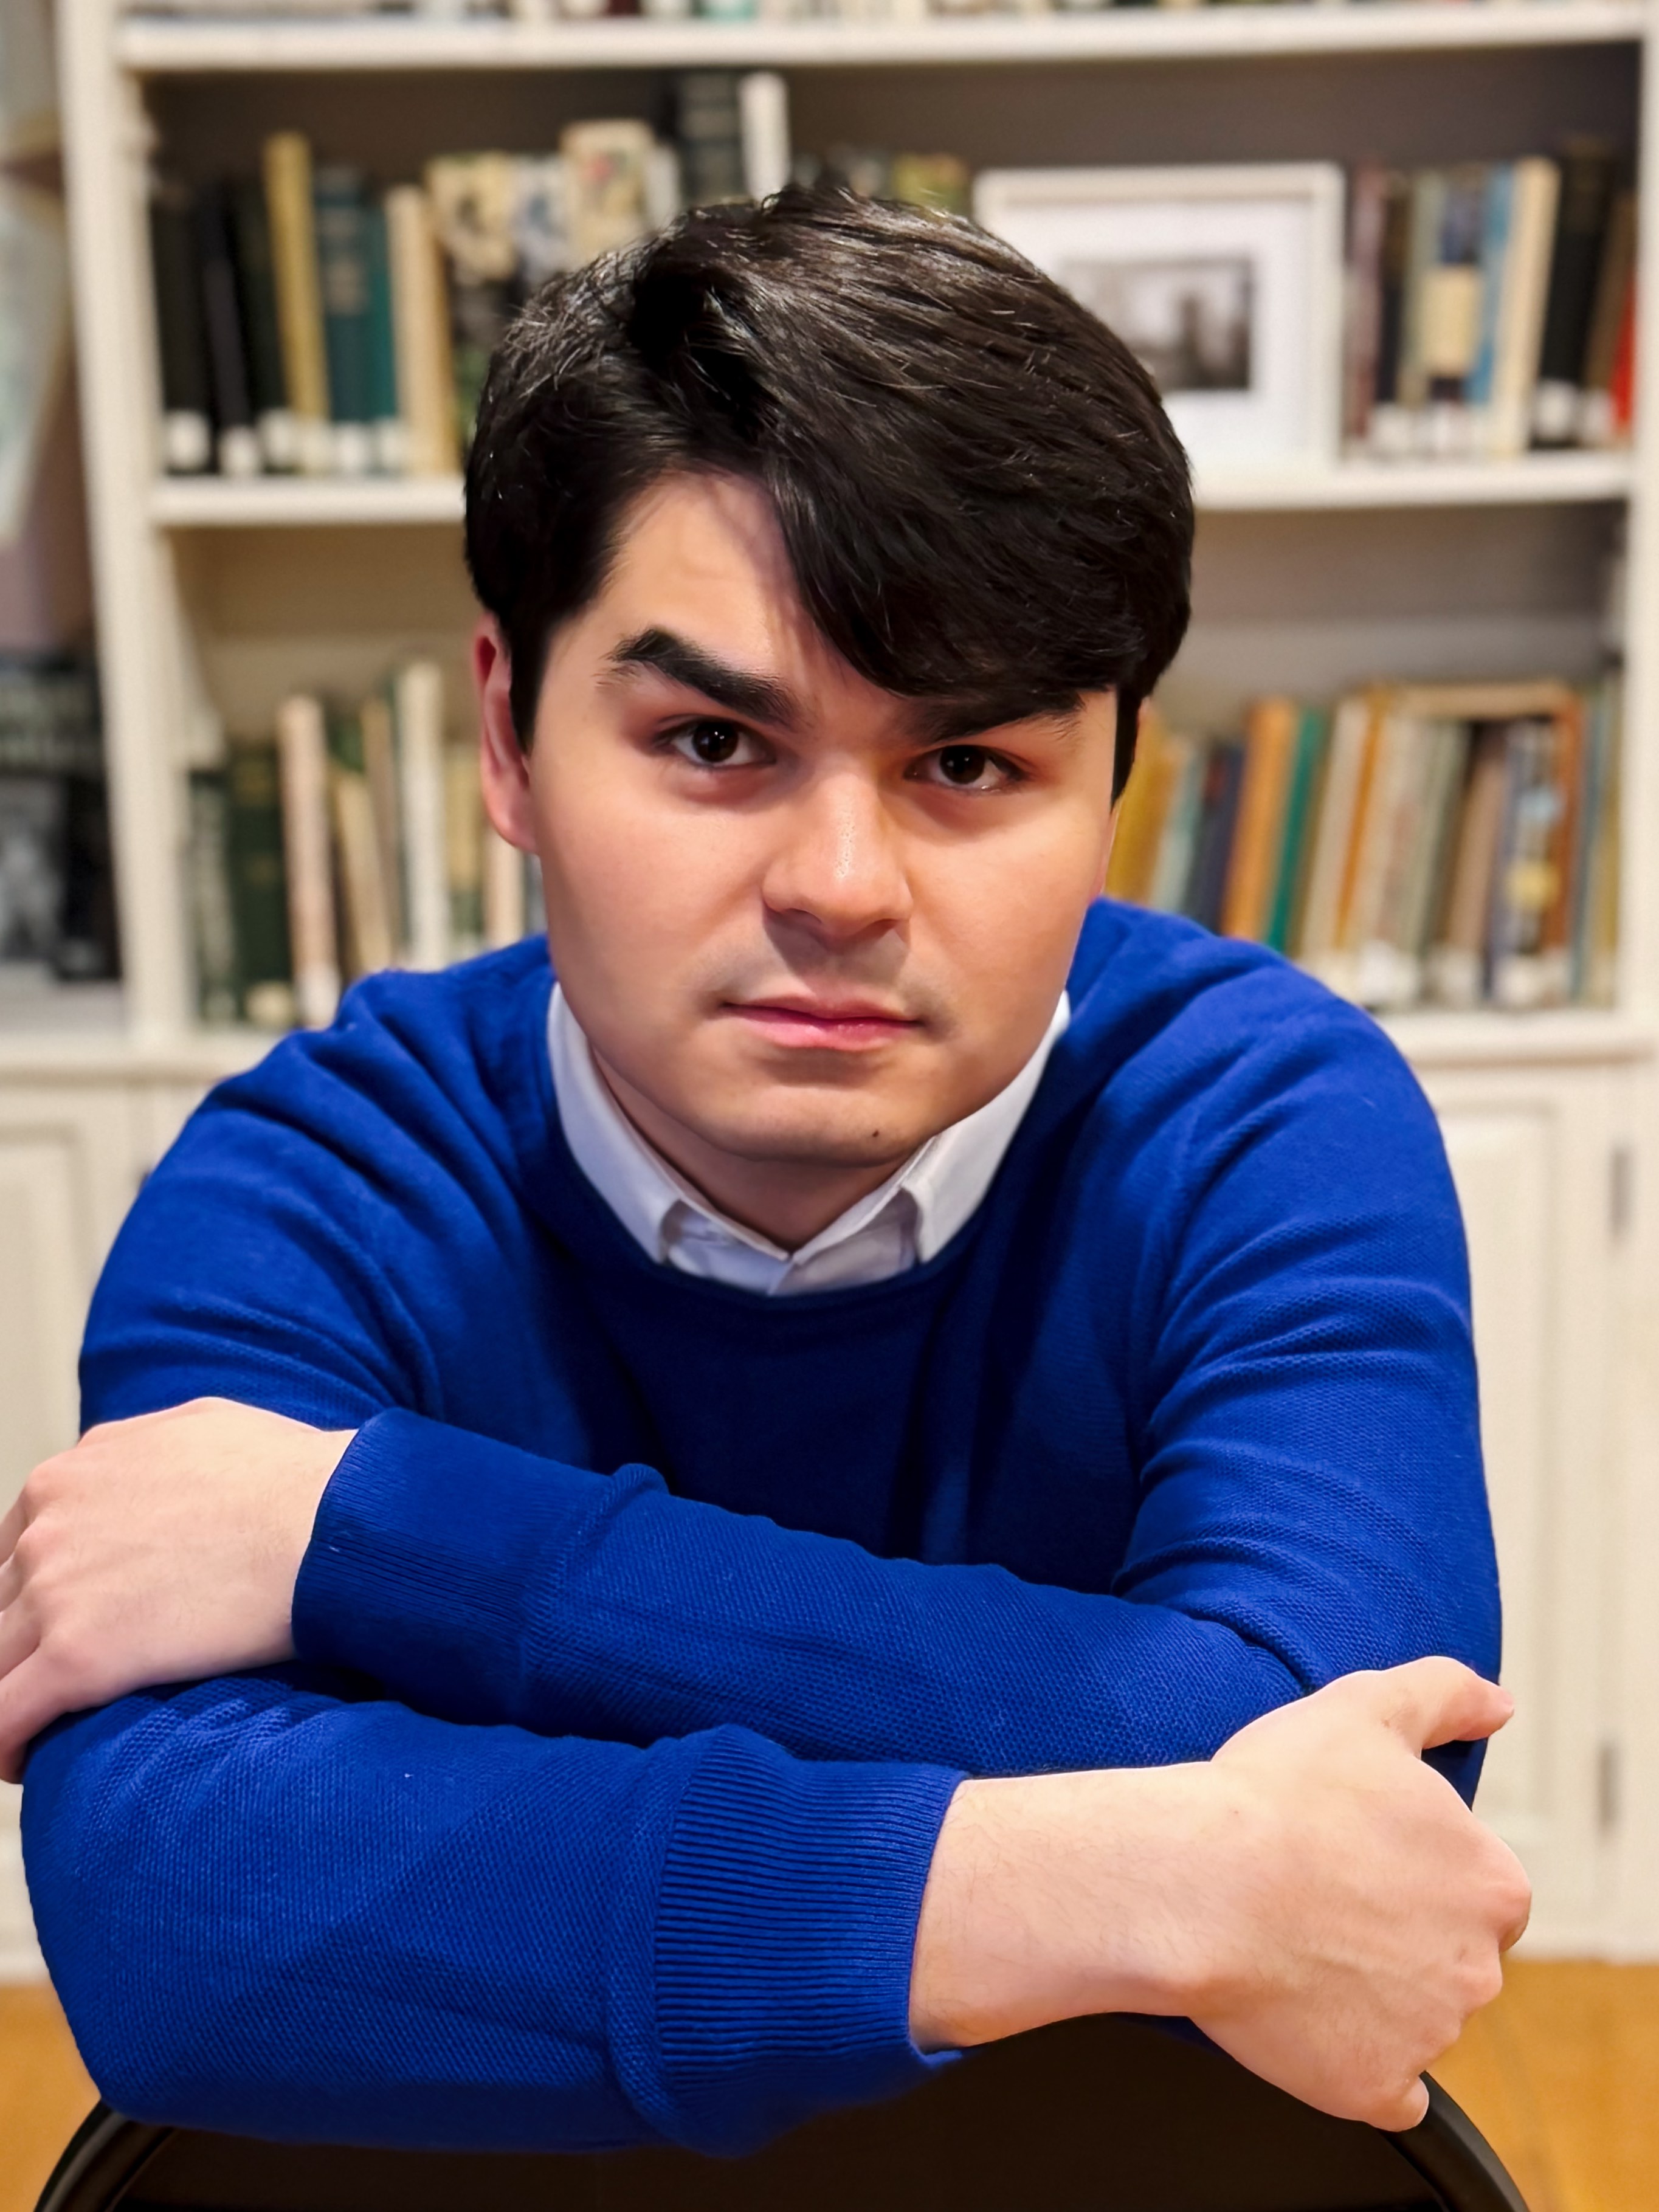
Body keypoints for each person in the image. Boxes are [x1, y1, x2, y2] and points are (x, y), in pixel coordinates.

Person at [2, 188, 1525, 2158]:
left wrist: (380, 1532)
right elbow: (187, 1922)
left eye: (967, 765)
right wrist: (1121, 1883)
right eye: (715, 741)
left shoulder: (1258, 1117)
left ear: (1115, 778)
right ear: (506, 737)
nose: (838, 889)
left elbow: (1367, 1789)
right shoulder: (324, 1173)